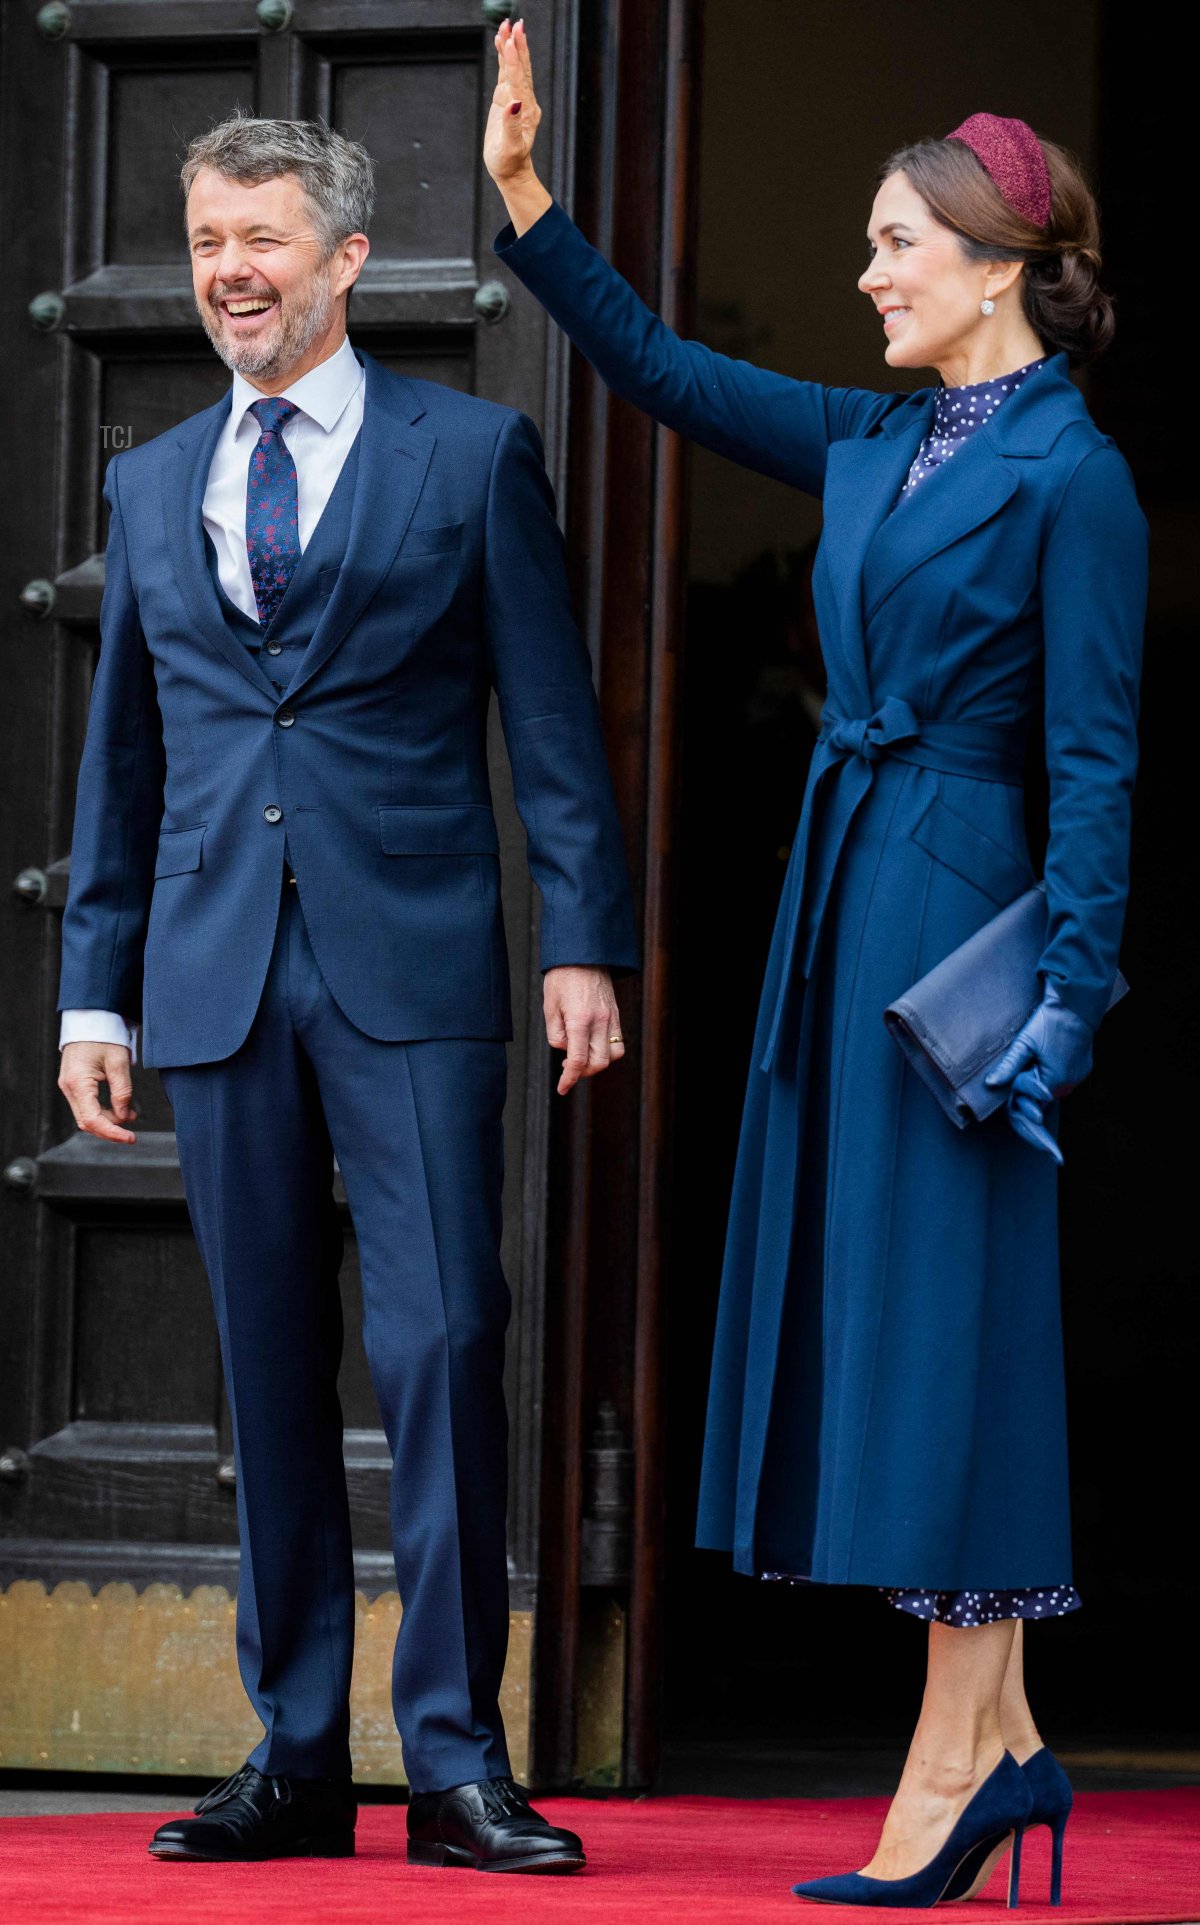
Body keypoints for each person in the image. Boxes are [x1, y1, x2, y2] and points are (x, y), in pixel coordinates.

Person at [484, 20, 1146, 1908]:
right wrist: (529, 202)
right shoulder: (877, 436)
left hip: (965, 944)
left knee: (956, 1335)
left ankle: (954, 1760)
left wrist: (1067, 998)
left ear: (994, 270)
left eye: (894, 245)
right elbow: (663, 370)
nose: (866, 274)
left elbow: (1097, 764)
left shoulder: (1077, 479)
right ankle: (1007, 1746)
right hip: (841, 906)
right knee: (901, 1322)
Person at [55, 110, 639, 1873]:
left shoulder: (471, 454)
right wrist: (94, 996)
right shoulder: (153, 481)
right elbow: (124, 760)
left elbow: (552, 726)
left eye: (263, 239)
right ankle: (297, 1755)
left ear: (348, 259)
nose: (229, 271)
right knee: (266, 1355)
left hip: (416, 962)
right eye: (207, 239)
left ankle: (456, 1759)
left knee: (446, 1337)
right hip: (216, 970)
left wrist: (583, 939)